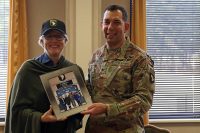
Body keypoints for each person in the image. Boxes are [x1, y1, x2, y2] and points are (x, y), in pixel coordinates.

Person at [82, 4, 155, 133]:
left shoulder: (139, 58)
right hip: (95, 129)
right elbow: (90, 90)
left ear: (125, 27)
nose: (110, 27)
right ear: (101, 25)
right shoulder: (96, 56)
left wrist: (107, 109)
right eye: (106, 22)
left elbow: (143, 101)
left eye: (116, 22)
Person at [5, 19, 84, 133]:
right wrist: (40, 117)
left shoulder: (73, 70)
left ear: (65, 41)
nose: (54, 41)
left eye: (58, 36)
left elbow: (78, 112)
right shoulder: (28, 70)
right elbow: (16, 111)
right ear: (41, 41)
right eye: (49, 37)